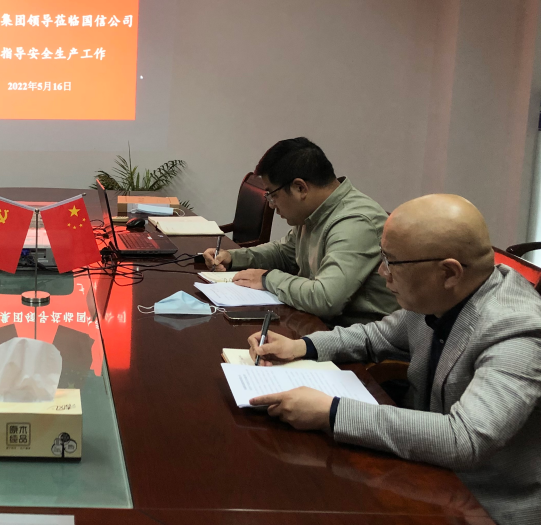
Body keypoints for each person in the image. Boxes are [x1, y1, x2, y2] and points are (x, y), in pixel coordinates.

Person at [247, 195, 541, 525]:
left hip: (484, 504)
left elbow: (466, 439)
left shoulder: (516, 328)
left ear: (448, 272)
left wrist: (331, 412)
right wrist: (302, 347)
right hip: (425, 471)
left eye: (391, 262)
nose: (382, 272)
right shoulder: (445, 294)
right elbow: (376, 336)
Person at [203, 137, 395, 326]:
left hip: (358, 338)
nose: (272, 205)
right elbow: (283, 253)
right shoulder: (315, 211)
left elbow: (326, 299)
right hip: (317, 324)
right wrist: (233, 258)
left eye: (273, 195)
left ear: (300, 188)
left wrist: (267, 278)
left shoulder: (356, 222)